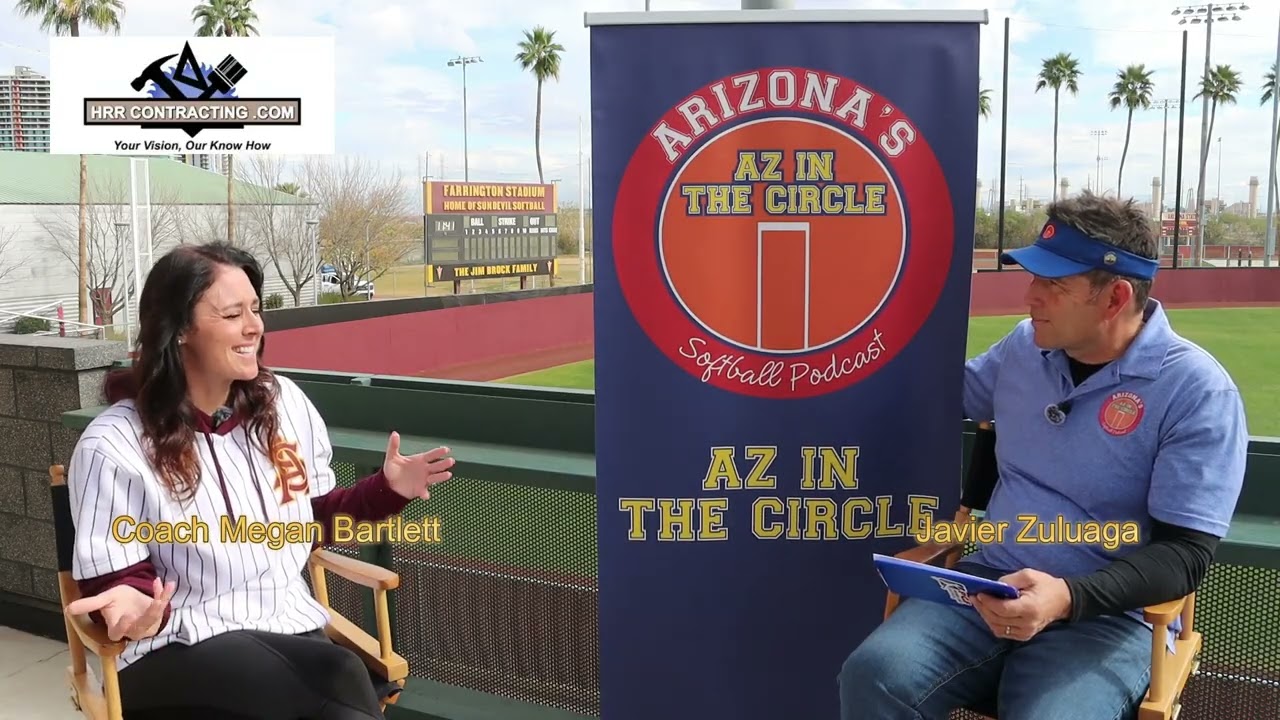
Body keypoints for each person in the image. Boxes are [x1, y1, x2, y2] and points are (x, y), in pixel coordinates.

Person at [837, 191, 1248, 719]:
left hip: (1106, 617)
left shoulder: (1197, 392)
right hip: (987, 584)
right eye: (1035, 279)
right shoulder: (1022, 347)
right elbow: (943, 397)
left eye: (1053, 284)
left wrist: (1067, 598)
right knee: (874, 674)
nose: (1030, 297)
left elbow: (1184, 555)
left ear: (1115, 298)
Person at [64, 242, 455, 719]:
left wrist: (385, 491)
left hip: (289, 630)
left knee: (331, 683)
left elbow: (311, 521)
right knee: (340, 676)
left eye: (255, 308)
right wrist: (132, 605)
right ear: (180, 329)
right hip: (173, 648)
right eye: (232, 314)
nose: (254, 326)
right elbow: (118, 582)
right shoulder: (114, 443)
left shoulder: (282, 403)